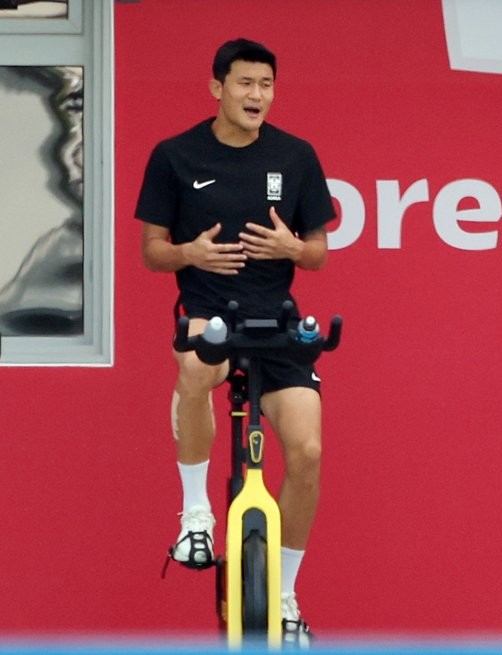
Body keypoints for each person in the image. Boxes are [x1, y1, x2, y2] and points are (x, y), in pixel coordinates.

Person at [134, 38, 335, 643]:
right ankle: (196, 513)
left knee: (308, 452)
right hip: (207, 311)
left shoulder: (297, 156)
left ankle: (285, 593)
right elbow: (151, 252)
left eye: (266, 84)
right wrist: (189, 253)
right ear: (217, 88)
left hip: (276, 320)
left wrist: (293, 249)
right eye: (245, 83)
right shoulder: (175, 155)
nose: (257, 95)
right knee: (196, 368)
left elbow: (319, 254)